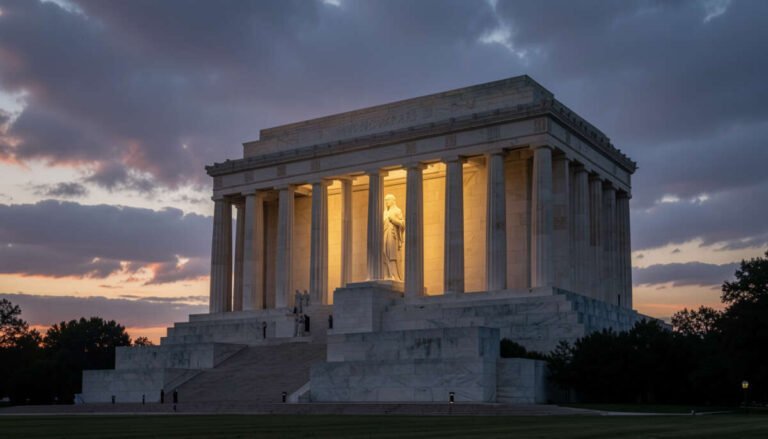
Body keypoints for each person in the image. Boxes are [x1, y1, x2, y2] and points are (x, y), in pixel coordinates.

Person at [383, 194, 405, 280]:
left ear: (393, 201)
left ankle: (394, 275)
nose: (386, 202)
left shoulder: (397, 210)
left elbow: (403, 223)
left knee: (392, 254)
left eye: (388, 200)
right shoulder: (384, 212)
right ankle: (387, 274)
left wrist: (394, 220)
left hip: (393, 234)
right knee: (384, 252)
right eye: (385, 200)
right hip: (385, 233)